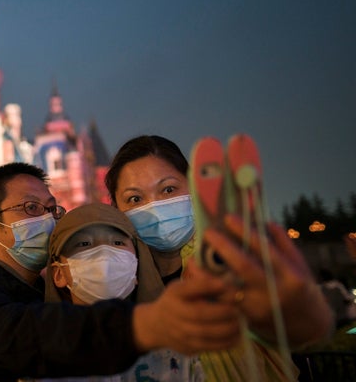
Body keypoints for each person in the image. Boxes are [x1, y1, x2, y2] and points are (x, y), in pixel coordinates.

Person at [0, 162, 244, 381]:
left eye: (51, 209)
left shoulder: (28, 294)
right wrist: (144, 324)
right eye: (31, 208)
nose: (47, 219)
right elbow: (28, 335)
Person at [104, 134, 334, 380]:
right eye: (135, 199)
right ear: (117, 210)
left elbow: (297, 330)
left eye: (168, 189)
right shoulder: (119, 283)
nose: (155, 206)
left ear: (193, 187)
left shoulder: (232, 262)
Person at [42, 202, 204, 381]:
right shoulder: (41, 356)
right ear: (58, 274)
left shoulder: (177, 350)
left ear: (137, 265)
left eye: (117, 242)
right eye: (84, 243)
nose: (103, 254)